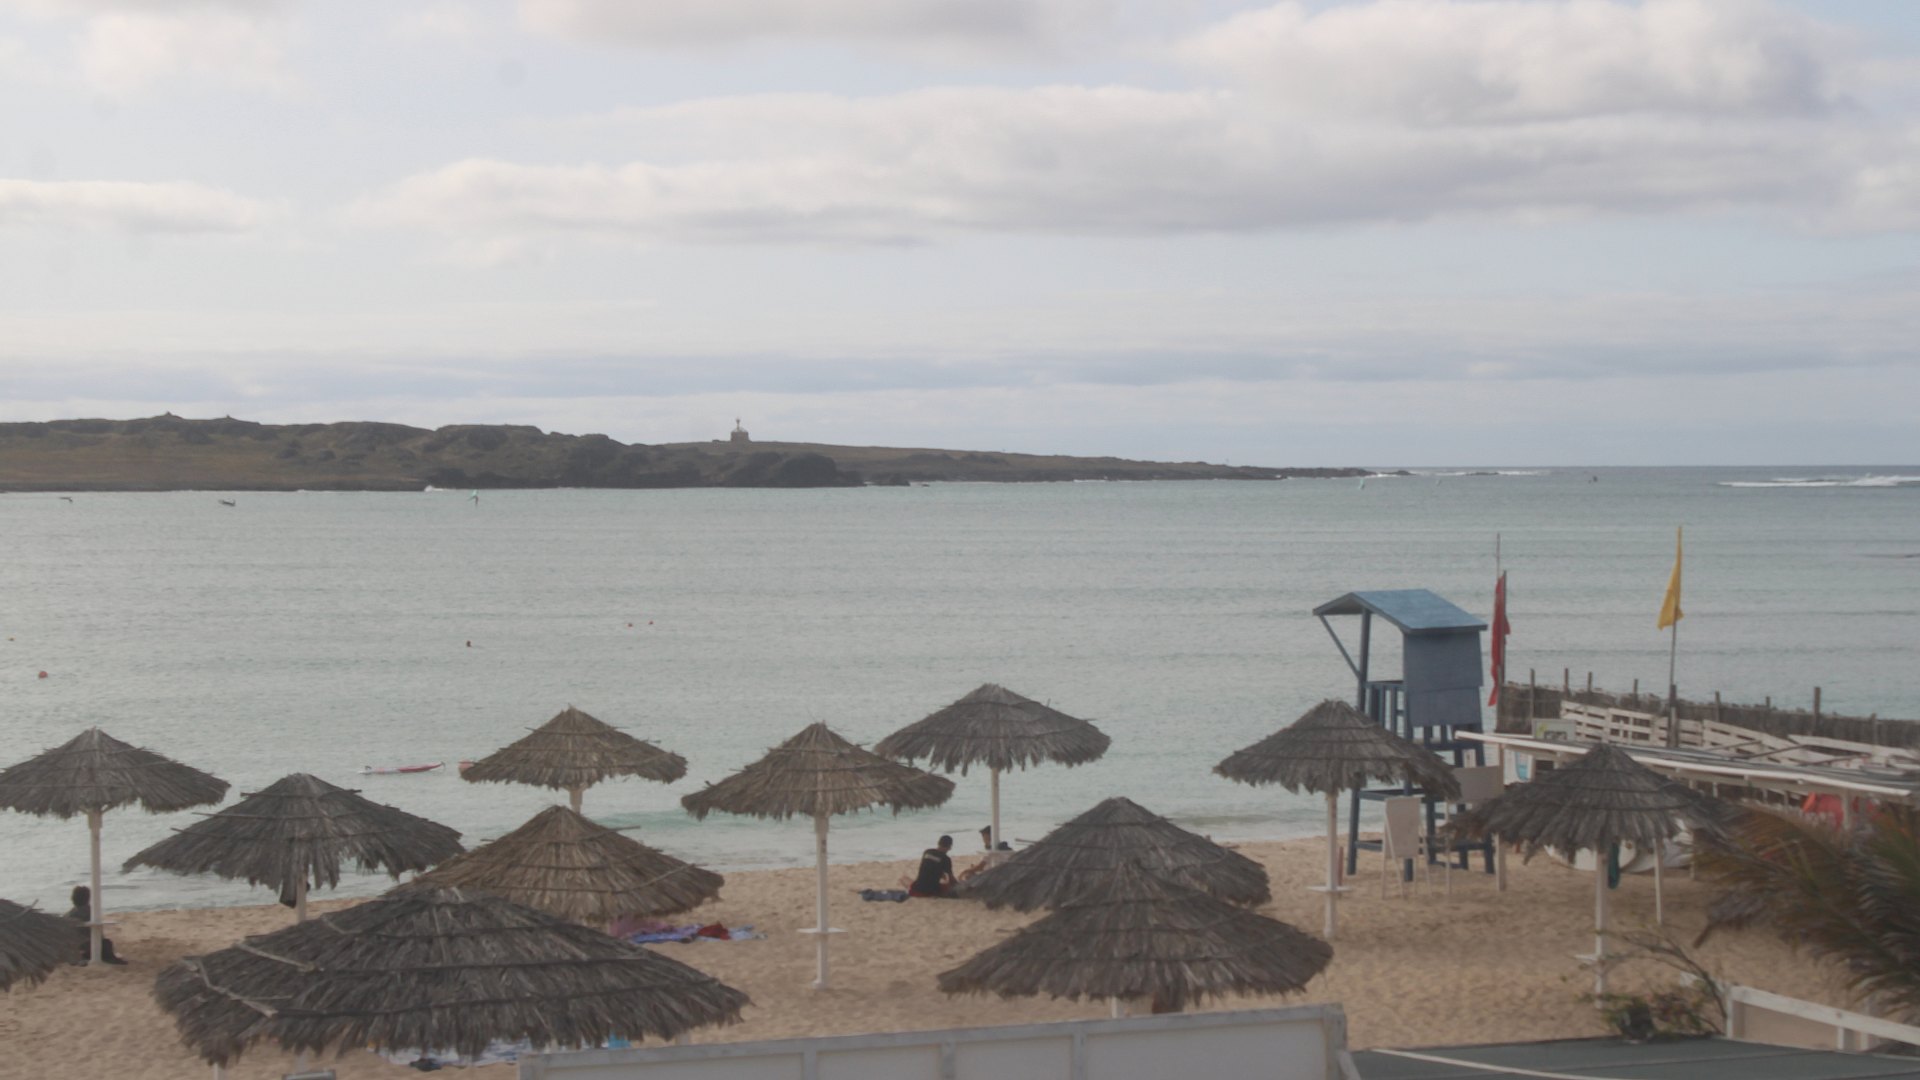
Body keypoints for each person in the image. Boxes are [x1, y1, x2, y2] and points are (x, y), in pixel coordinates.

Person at [64, 886, 127, 965]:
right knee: (106, 943)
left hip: (75, 948)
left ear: (73, 898)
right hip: (90, 947)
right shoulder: (93, 912)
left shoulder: (69, 915)